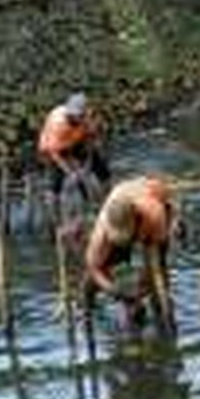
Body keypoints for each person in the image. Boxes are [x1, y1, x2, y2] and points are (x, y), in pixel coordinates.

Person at [84, 176, 174, 331]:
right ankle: (87, 309)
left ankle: (161, 313)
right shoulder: (103, 231)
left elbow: (156, 269)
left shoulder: (155, 215)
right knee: (110, 266)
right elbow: (93, 268)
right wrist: (114, 290)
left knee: (158, 271)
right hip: (122, 197)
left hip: (155, 198)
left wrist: (164, 304)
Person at [38, 92, 110, 204]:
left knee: (98, 165)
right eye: (79, 116)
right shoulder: (58, 125)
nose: (82, 118)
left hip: (75, 139)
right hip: (54, 147)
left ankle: (106, 187)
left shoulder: (86, 118)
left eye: (82, 115)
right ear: (71, 114)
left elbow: (91, 138)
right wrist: (71, 172)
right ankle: (53, 196)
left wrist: (88, 162)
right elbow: (55, 154)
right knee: (59, 172)